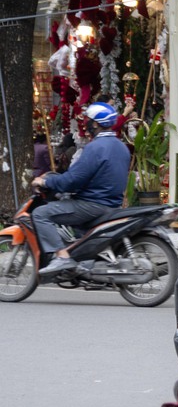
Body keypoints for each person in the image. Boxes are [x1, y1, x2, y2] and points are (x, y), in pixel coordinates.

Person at [31, 104, 130, 278]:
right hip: (112, 204)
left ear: (96, 124)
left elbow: (72, 181)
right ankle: (82, 261)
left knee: (40, 213)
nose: (86, 125)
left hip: (92, 204)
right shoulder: (121, 147)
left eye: (89, 121)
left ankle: (61, 257)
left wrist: (46, 180)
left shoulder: (96, 147)